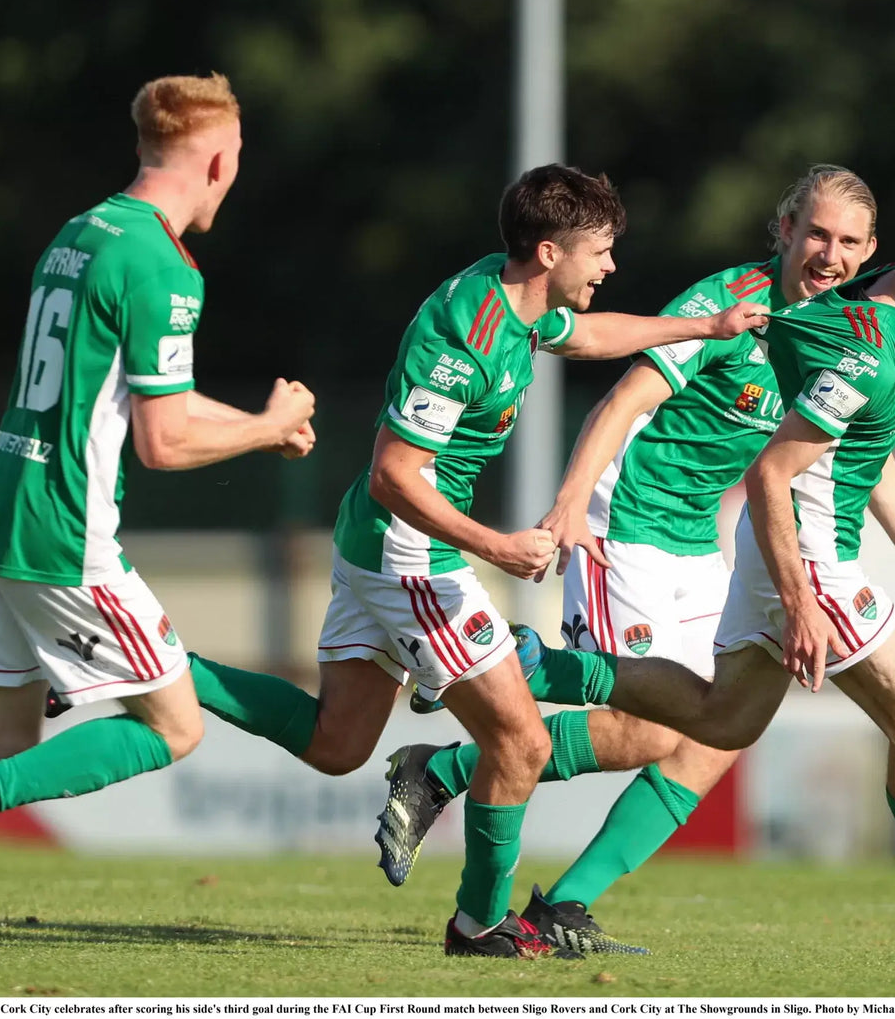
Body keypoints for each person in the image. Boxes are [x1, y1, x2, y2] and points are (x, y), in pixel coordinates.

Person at [426, 154, 895, 966]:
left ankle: (539, 678)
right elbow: (769, 466)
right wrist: (800, 601)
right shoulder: (828, 331)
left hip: (770, 546)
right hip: (777, 550)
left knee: (717, 726)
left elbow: (877, 437)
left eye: (850, 240)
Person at [148, 163, 768, 959]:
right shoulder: (464, 336)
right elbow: (393, 471)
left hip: (379, 544)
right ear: (549, 252)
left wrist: (701, 328)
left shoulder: (521, 303)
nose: (609, 266)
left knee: (338, 745)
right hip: (411, 557)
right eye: (600, 252)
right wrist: (495, 545)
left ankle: (165, 669)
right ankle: (480, 924)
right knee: (522, 745)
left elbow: (586, 336)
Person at [0, 73, 316, 968]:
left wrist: (258, 429)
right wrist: (266, 429)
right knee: (174, 726)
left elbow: (154, 400)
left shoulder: (83, 231)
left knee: (2, 736)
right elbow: (161, 440)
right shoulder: (162, 264)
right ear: (221, 159)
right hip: (62, 532)